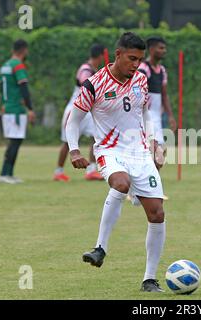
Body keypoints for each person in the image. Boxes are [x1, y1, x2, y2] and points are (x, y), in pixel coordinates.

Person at [66, 32, 167, 292]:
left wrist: (156, 144)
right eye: (132, 58)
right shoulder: (94, 84)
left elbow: (147, 114)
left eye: (140, 59)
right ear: (118, 55)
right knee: (120, 184)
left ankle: (149, 279)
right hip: (110, 150)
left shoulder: (141, 80)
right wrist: (75, 151)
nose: (136, 64)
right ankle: (100, 248)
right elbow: (74, 119)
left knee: (157, 213)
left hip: (141, 153)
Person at [54, 44, 106, 182]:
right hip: (75, 109)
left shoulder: (96, 70)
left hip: (88, 112)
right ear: (100, 55)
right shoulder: (86, 69)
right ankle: (58, 172)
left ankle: (91, 170)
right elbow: (86, 85)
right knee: (67, 141)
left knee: (96, 138)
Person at [0, 39, 35, 184]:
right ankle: (6, 174)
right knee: (15, 141)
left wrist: (3, 103)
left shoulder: (5, 66)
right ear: (24, 50)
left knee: (13, 141)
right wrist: (30, 109)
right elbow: (23, 88)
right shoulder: (18, 66)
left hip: (8, 107)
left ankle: (6, 173)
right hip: (16, 110)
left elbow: (1, 88)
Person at [138, 36, 177, 166]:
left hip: (157, 117)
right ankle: (149, 180)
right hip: (145, 116)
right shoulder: (143, 68)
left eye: (164, 48)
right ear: (151, 49)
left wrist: (170, 116)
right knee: (156, 152)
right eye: (161, 48)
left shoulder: (162, 71)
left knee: (159, 153)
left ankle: (152, 180)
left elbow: (164, 95)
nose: (164, 50)